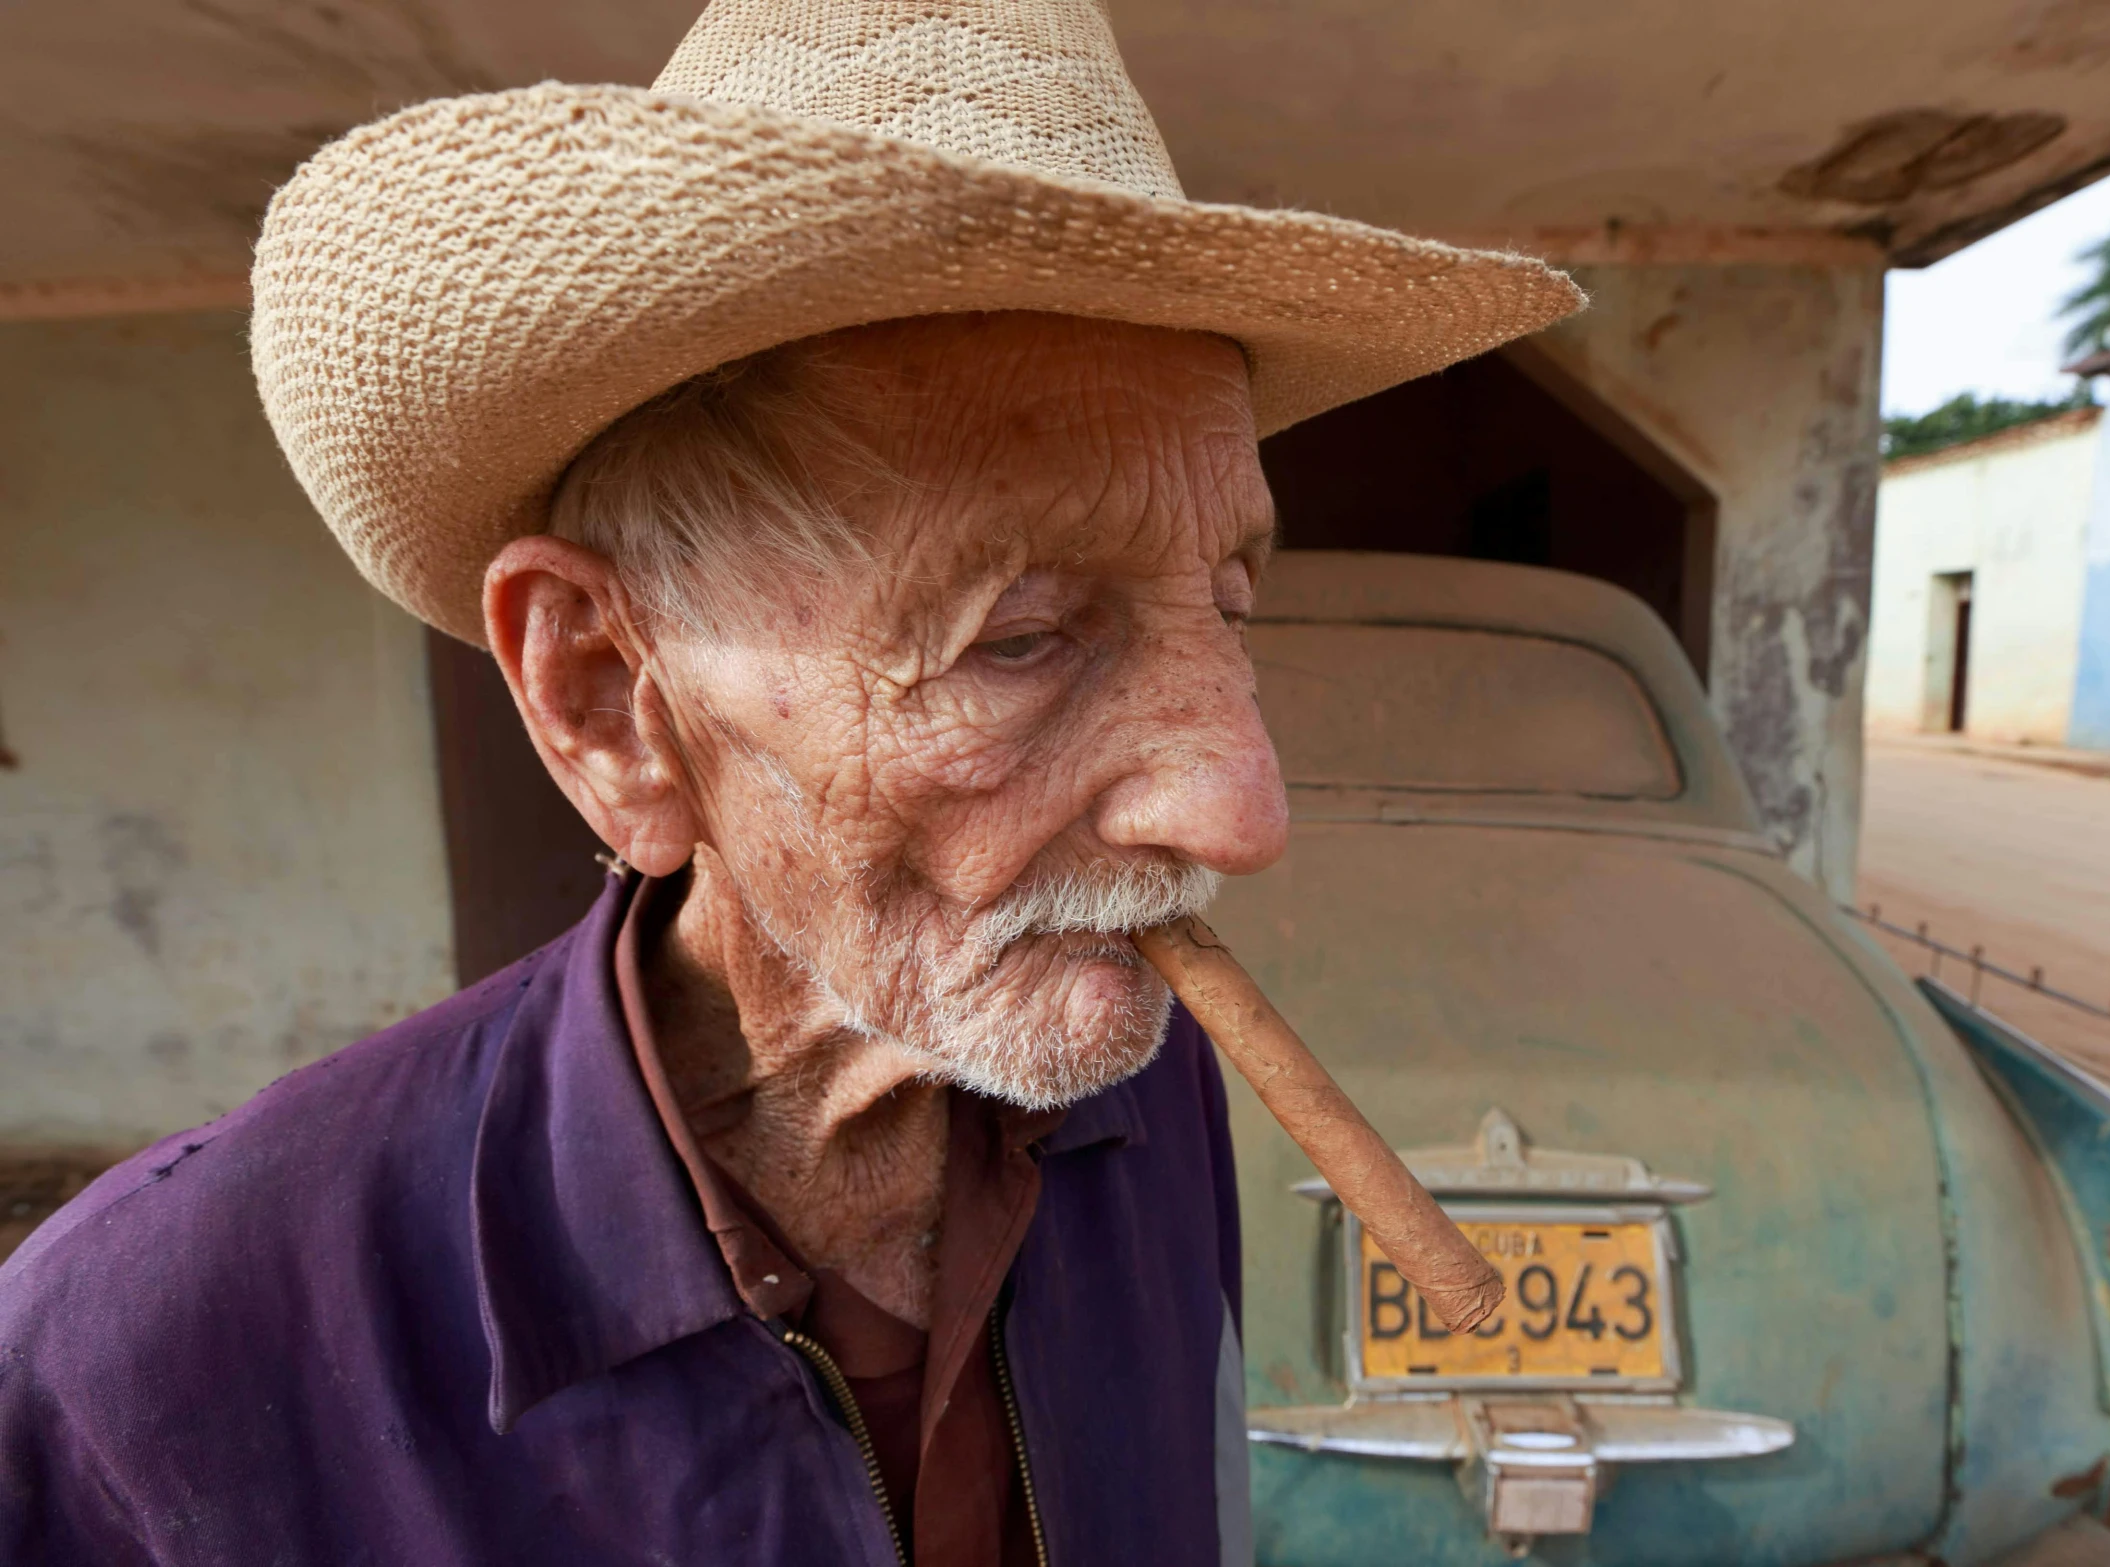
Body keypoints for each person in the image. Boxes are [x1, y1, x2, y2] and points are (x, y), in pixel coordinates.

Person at [0, 1, 1581, 1561]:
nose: (1243, 809)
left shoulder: (1134, 1096)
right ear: (607, 696)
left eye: (1227, 601)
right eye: (1019, 635)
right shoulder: (135, 1380)